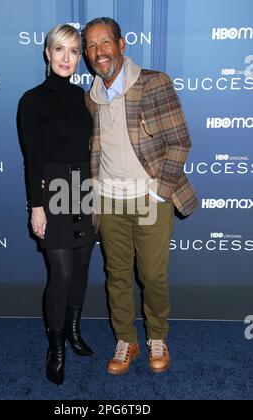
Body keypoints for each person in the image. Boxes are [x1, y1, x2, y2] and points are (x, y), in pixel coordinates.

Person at [82, 18, 198, 375]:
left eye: (105, 43)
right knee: (116, 274)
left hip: (149, 199)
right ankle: (126, 339)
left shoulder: (153, 82)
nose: (99, 52)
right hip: (109, 200)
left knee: (152, 275)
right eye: (91, 46)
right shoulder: (92, 97)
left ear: (121, 45)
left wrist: (160, 193)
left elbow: (180, 142)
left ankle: (157, 336)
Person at [17, 24, 98, 386]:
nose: (67, 58)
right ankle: (56, 346)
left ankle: (74, 331)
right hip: (53, 194)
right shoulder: (31, 100)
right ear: (47, 54)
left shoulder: (84, 97)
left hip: (84, 189)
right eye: (60, 50)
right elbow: (32, 159)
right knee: (61, 275)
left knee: (81, 270)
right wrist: (37, 206)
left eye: (74, 51)